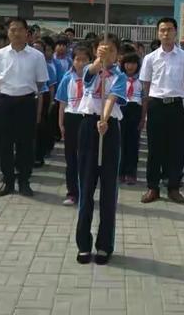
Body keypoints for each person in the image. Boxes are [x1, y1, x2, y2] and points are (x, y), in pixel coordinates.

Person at [75, 34, 126, 265]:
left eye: (112, 51)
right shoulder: (90, 70)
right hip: (88, 128)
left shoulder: (120, 76)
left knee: (107, 190)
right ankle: (83, 245)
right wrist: (98, 61)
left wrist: (104, 120)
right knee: (86, 188)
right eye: (102, 50)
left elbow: (111, 99)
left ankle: (105, 245)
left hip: (109, 129)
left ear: (118, 55)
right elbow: (90, 73)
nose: (107, 54)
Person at [139, 17, 184, 204]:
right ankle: (152, 187)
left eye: (169, 30)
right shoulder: (150, 58)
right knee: (155, 148)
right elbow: (146, 86)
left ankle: (173, 187)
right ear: (158, 33)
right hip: (156, 105)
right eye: (162, 30)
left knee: (177, 149)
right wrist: (149, 109)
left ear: (176, 32)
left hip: (176, 106)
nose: (166, 33)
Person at [0, 17, 49, 197]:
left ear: (26, 32)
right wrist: (10, 92)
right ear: (8, 32)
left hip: (27, 102)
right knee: (5, 144)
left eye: (19, 30)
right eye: (12, 29)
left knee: (26, 144)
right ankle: (7, 181)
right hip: (5, 101)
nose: (16, 33)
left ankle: (24, 181)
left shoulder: (36, 56)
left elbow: (40, 83)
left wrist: (23, 93)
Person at [56, 44, 92, 205]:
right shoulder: (67, 78)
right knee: (71, 159)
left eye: (85, 60)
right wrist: (61, 123)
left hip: (87, 118)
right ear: (73, 61)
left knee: (86, 158)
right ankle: (72, 192)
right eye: (78, 59)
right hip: (71, 118)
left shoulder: (95, 79)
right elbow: (62, 103)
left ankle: (86, 192)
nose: (81, 63)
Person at [119, 52, 146, 185]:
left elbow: (144, 100)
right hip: (121, 110)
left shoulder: (141, 80)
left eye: (134, 63)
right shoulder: (119, 78)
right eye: (127, 63)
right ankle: (120, 171)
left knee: (133, 143)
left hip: (135, 110)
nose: (130, 66)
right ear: (123, 65)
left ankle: (131, 172)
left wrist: (142, 119)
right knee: (120, 142)